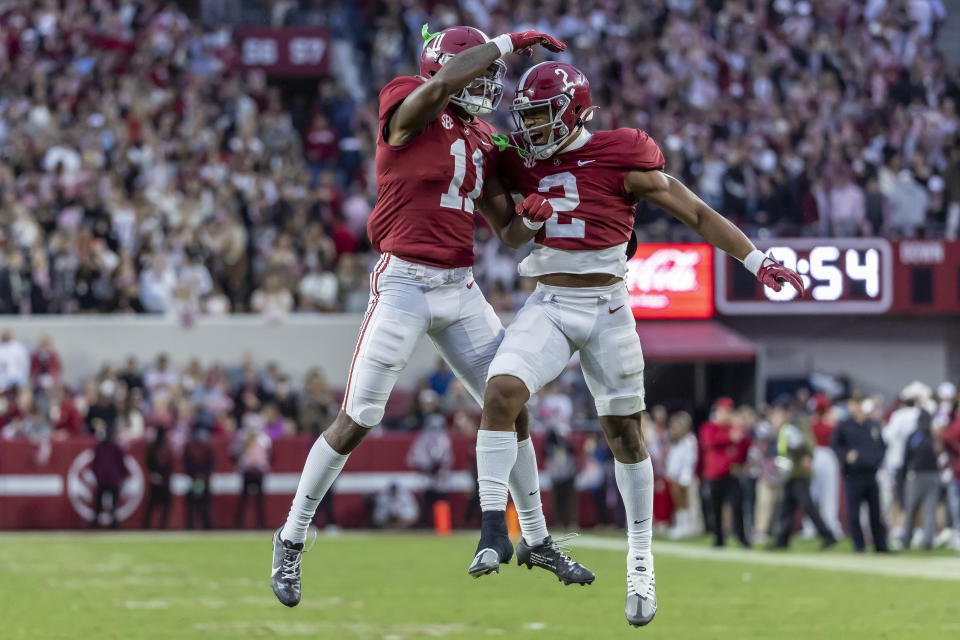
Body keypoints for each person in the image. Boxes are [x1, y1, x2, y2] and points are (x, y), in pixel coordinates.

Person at [471, 61, 804, 627]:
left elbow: (695, 211)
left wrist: (757, 259)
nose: (528, 127)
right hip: (549, 301)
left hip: (608, 307)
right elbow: (507, 231)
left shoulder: (621, 153)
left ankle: (641, 558)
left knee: (625, 434)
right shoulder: (515, 155)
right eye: (523, 115)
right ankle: (495, 532)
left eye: (540, 114)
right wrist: (525, 223)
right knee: (501, 392)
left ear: (574, 112)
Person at [271, 25, 573, 607]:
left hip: (460, 287)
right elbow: (437, 92)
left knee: (510, 403)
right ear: (445, 70)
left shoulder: (482, 138)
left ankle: (535, 536)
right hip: (404, 281)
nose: (490, 84)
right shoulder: (408, 99)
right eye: (481, 72)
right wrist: (506, 42)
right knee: (358, 417)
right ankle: (291, 536)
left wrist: (532, 216)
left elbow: (508, 233)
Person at [770, 404, 837, 550]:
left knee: (807, 505)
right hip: (790, 473)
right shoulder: (786, 427)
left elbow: (806, 442)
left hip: (800, 473)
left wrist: (807, 456)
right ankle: (782, 541)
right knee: (786, 508)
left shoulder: (796, 424)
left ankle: (828, 536)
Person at [831, 396, 888, 553]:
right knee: (854, 513)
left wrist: (876, 460)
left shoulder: (872, 425)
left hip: (871, 473)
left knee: (876, 513)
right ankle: (859, 546)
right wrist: (846, 456)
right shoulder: (844, 425)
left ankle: (880, 546)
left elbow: (882, 446)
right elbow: (835, 445)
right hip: (853, 475)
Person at [700, 398, 752, 549]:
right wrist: (731, 438)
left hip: (731, 474)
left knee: (737, 504)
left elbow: (745, 447)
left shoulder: (734, 428)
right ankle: (719, 538)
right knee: (716, 508)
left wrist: (741, 432)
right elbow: (710, 442)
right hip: (714, 475)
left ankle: (742, 537)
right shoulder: (709, 427)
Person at [900, 407, 940, 550]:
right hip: (927, 475)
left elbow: (906, 458)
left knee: (913, 509)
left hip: (919, 475)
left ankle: (910, 540)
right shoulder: (928, 436)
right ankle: (923, 541)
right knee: (925, 510)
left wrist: (903, 476)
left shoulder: (918, 436)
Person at [809, 395, 843, 538]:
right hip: (817, 454)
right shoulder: (814, 422)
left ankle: (830, 524)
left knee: (828, 493)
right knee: (813, 492)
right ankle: (812, 526)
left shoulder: (830, 421)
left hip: (827, 454)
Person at [665, 412, 698, 539]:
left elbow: (690, 459)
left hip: (685, 476)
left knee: (685, 502)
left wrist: (684, 476)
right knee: (677, 502)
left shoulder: (689, 440)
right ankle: (681, 525)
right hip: (674, 475)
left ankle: (687, 526)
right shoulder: (675, 442)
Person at [89, 424, 128, 529]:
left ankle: (107, 524)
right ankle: (106, 524)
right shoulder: (107, 448)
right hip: (108, 480)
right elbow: (122, 465)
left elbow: (95, 464)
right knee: (102, 504)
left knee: (108, 505)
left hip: (107, 480)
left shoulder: (111, 448)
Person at [234, 422, 271, 529]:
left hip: (251, 473)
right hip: (254, 473)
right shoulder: (250, 442)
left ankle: (253, 524)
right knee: (252, 501)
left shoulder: (257, 442)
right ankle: (258, 524)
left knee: (251, 500)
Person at [142, 427, 174, 529]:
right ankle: (160, 526)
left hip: (158, 479)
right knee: (158, 505)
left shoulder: (156, 447)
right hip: (162, 480)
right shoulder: (165, 447)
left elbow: (149, 462)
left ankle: (150, 526)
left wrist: (155, 474)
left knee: (154, 505)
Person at [184, 427, 214, 530]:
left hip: (196, 480)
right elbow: (210, 466)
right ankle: (205, 527)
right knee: (203, 507)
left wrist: (196, 476)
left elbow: (187, 465)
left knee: (194, 507)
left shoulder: (190, 449)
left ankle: (191, 527)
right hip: (202, 481)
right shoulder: (207, 449)